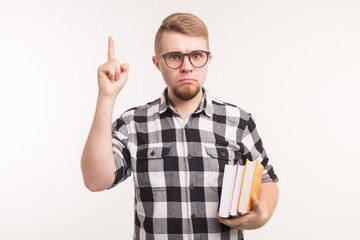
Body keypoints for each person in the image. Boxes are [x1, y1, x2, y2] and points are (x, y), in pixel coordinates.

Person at [81, 12, 279, 240]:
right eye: (175, 56)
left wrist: (262, 213)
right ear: (158, 63)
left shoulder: (239, 121)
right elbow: (96, 181)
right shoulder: (133, 124)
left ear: (208, 60)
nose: (187, 66)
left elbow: (267, 181)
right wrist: (106, 97)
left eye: (196, 55)